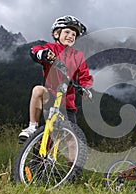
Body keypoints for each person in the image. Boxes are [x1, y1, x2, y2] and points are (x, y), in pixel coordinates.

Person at [19, 15, 93, 143]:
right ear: (56, 34)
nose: (71, 36)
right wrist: (43, 54)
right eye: (67, 32)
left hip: (68, 104)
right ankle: (32, 127)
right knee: (38, 90)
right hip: (51, 96)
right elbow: (36, 50)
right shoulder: (50, 48)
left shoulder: (78, 56)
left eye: (74, 35)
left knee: (73, 142)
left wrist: (85, 88)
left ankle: (75, 163)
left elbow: (85, 76)